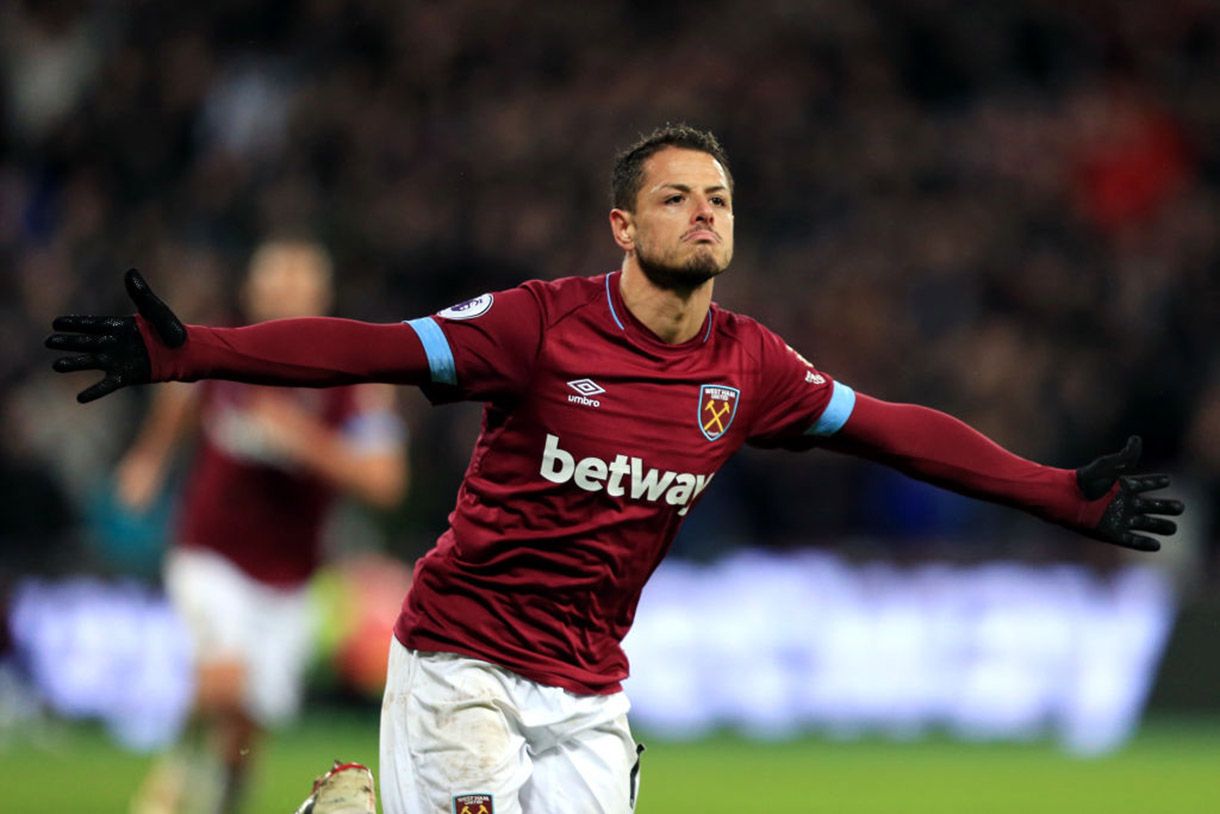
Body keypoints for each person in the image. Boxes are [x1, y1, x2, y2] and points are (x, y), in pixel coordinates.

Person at [47, 125, 1183, 814]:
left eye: (719, 198)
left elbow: (890, 429)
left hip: (589, 689)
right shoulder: (538, 326)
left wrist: (1053, 492)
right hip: (461, 659)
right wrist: (195, 352)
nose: (704, 213)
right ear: (622, 226)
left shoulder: (750, 365)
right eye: (676, 197)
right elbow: (372, 348)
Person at [113, 238, 409, 814]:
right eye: (276, 281)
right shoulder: (217, 349)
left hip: (291, 575)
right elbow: (178, 400)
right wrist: (148, 460)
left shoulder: (357, 377)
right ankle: (176, 772)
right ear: (252, 290)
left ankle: (220, 796)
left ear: (322, 296)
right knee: (224, 680)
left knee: (248, 728)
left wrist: (303, 441)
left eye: (300, 283)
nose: (286, 294)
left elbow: (385, 482)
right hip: (212, 552)